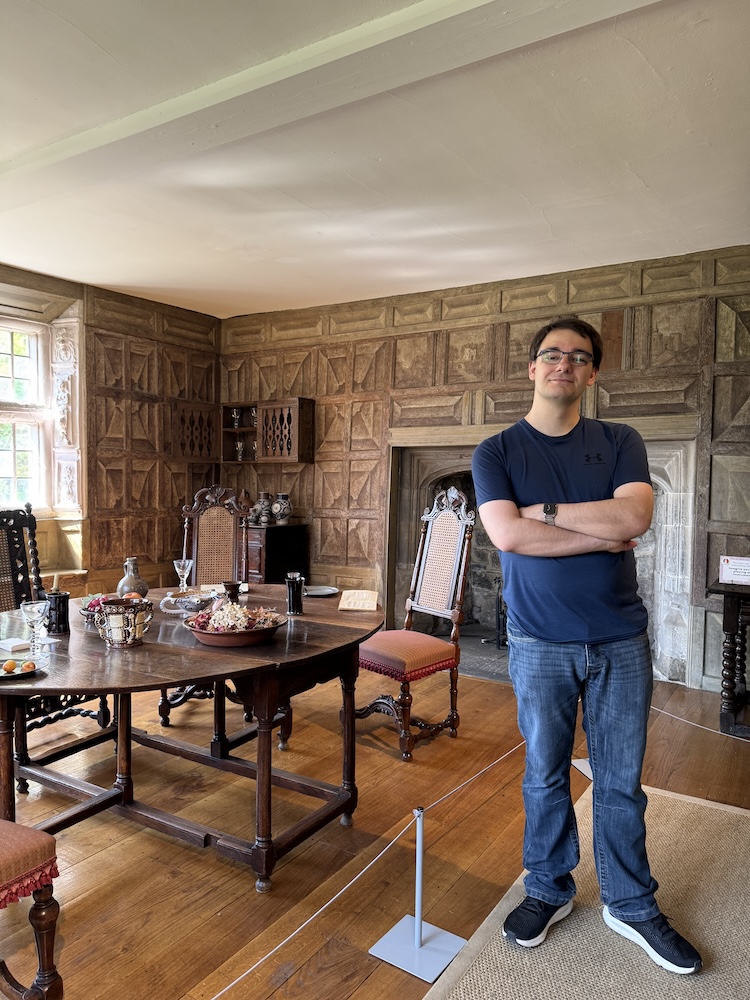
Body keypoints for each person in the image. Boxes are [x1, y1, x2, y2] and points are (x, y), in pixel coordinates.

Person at [471, 318, 701, 975]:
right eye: (552, 354)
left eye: (578, 357)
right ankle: (548, 888)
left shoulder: (620, 440)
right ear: (533, 368)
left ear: (592, 373)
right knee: (544, 774)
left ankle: (630, 903)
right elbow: (507, 537)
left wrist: (540, 512)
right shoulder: (496, 452)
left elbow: (632, 517)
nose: (563, 364)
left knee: (621, 782)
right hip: (538, 639)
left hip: (619, 638)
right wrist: (594, 531)